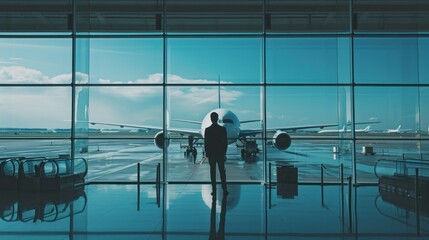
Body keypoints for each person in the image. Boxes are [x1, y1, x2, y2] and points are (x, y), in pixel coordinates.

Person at [204, 112, 228, 195]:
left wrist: (207, 153)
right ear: (217, 119)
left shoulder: (207, 130)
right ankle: (224, 189)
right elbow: (225, 143)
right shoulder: (223, 129)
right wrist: (224, 153)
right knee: (222, 172)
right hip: (220, 154)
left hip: (211, 155)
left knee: (212, 173)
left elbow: (206, 143)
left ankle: (214, 190)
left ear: (211, 119)